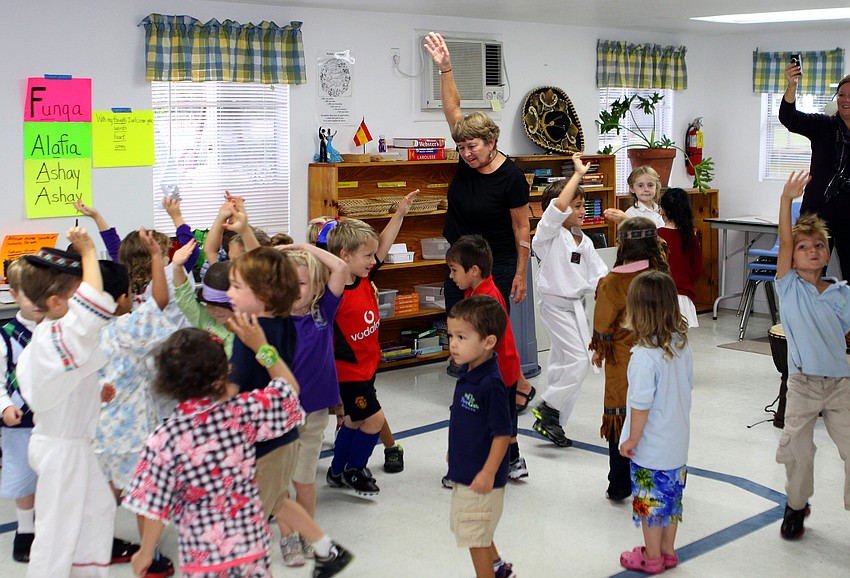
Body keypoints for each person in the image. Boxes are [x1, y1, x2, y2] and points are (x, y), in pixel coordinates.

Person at [122, 321, 335, 578]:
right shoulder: (242, 413)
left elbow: (155, 507)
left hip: (205, 559)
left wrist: (146, 551)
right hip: (252, 547)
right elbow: (289, 390)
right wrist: (263, 348)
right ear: (222, 375)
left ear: (167, 382)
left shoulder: (163, 441)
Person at [16, 229, 118, 577]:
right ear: (57, 303)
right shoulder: (52, 338)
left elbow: (73, 374)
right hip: (61, 450)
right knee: (56, 532)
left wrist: (97, 388)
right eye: (76, 293)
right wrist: (88, 252)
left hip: (73, 446)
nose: (84, 297)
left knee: (97, 512)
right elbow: (91, 313)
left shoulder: (54, 334)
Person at [423, 31, 531, 312]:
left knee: (485, 331)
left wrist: (521, 273)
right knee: (457, 325)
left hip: (497, 264)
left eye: (472, 146)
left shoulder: (511, 178)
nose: (466, 153)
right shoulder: (467, 160)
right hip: (459, 260)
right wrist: (445, 68)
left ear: (491, 141)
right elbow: (453, 108)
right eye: (460, 148)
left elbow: (521, 226)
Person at [94, 230, 177, 576]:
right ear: (122, 298)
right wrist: (158, 258)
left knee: (104, 491)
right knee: (146, 496)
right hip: (131, 434)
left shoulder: (80, 327)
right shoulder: (123, 330)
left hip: (98, 431)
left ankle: (95, 543)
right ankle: (150, 556)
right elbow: (158, 302)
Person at [773, 170, 850, 540]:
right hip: (803, 385)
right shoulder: (789, 288)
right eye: (804, 246)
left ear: (827, 252)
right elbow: (785, 241)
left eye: (818, 245)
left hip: (840, 384)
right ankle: (797, 505)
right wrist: (787, 200)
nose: (811, 250)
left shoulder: (840, 293)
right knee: (799, 453)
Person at [325, 193, 417, 495]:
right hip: (348, 371)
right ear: (344, 256)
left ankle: (337, 470)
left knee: (353, 420)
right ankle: (354, 469)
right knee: (373, 420)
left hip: (367, 366)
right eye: (366, 256)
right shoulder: (335, 289)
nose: (373, 261)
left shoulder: (363, 276)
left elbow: (384, 243)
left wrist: (400, 213)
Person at [276, 243, 349, 567]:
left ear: (317, 286)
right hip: (279, 415)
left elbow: (342, 270)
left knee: (304, 481)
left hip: (315, 413)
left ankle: (307, 533)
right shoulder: (272, 319)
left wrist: (303, 247)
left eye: (302, 283)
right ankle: (287, 537)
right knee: (279, 482)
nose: (294, 289)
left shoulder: (323, 312)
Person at [530, 153, 608, 447]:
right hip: (554, 305)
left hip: (576, 308)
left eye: (582, 204)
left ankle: (553, 423)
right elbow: (558, 206)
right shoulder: (547, 236)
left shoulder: (584, 241)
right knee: (578, 360)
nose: (581, 210)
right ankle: (548, 406)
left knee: (563, 363)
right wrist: (576, 175)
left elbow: (601, 277)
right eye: (576, 206)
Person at [618, 271, 693, 574]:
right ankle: (668, 551)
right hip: (677, 445)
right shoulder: (681, 345)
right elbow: (688, 385)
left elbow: (641, 405)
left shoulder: (643, 356)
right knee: (672, 502)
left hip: (651, 449)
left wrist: (632, 439)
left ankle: (651, 556)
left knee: (650, 506)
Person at [589, 217, 669, 502]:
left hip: (624, 362)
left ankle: (620, 483)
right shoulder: (659, 276)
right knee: (651, 417)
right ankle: (653, 479)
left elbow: (603, 324)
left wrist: (599, 348)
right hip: (660, 356)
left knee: (620, 416)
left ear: (622, 245)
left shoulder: (613, 282)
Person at [443, 235, 529, 483]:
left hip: (496, 373)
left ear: (474, 270)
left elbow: (486, 343)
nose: (451, 276)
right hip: (505, 370)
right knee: (502, 422)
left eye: (454, 270)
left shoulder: (483, 301)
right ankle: (513, 461)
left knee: (483, 424)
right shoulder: (479, 291)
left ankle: (480, 469)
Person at [446, 295, 514, 578]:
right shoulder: (468, 373)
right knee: (473, 527)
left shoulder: (491, 384)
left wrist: (488, 472)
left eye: (462, 337)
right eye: (451, 335)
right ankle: (498, 566)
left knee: (475, 535)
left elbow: (502, 434)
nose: (453, 343)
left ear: (488, 342)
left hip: (481, 479)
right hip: (467, 469)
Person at [780, 67, 850, 279]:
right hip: (816, 214)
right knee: (808, 273)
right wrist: (792, 86)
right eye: (842, 95)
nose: (845, 100)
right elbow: (789, 118)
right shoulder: (824, 126)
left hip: (848, 216)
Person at [0, 259, 44, 563]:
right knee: (24, 476)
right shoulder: (5, 336)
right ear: (14, 294)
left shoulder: (59, 329)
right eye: (31, 294)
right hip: (19, 422)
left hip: (55, 420)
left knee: (53, 475)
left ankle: (50, 526)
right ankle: (25, 530)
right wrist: (4, 405)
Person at [171, 239, 236, 356]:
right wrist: (177, 267)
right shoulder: (205, 318)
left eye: (222, 305)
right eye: (211, 304)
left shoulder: (252, 328)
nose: (216, 310)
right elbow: (184, 299)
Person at [658, 187, 703, 327]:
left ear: (662, 210)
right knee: (680, 342)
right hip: (683, 295)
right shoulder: (690, 237)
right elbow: (697, 269)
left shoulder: (656, 235)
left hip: (659, 294)